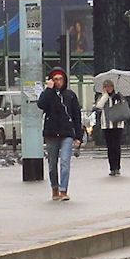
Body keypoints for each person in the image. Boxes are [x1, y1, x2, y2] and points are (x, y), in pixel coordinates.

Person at [37, 68, 83, 201]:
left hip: (66, 133)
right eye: (55, 79)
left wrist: (78, 136)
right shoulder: (48, 94)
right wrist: (48, 89)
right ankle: (55, 188)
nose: (58, 82)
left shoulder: (70, 95)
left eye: (60, 79)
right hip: (51, 133)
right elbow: (41, 105)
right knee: (52, 165)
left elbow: (76, 116)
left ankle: (64, 190)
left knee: (64, 162)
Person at [94, 79, 126, 176]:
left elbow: (123, 106)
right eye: (106, 86)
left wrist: (118, 99)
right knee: (110, 147)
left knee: (116, 146)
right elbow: (99, 106)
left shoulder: (118, 95)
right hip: (107, 125)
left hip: (117, 124)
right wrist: (105, 96)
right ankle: (112, 167)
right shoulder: (102, 97)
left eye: (110, 86)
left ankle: (117, 167)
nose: (109, 88)